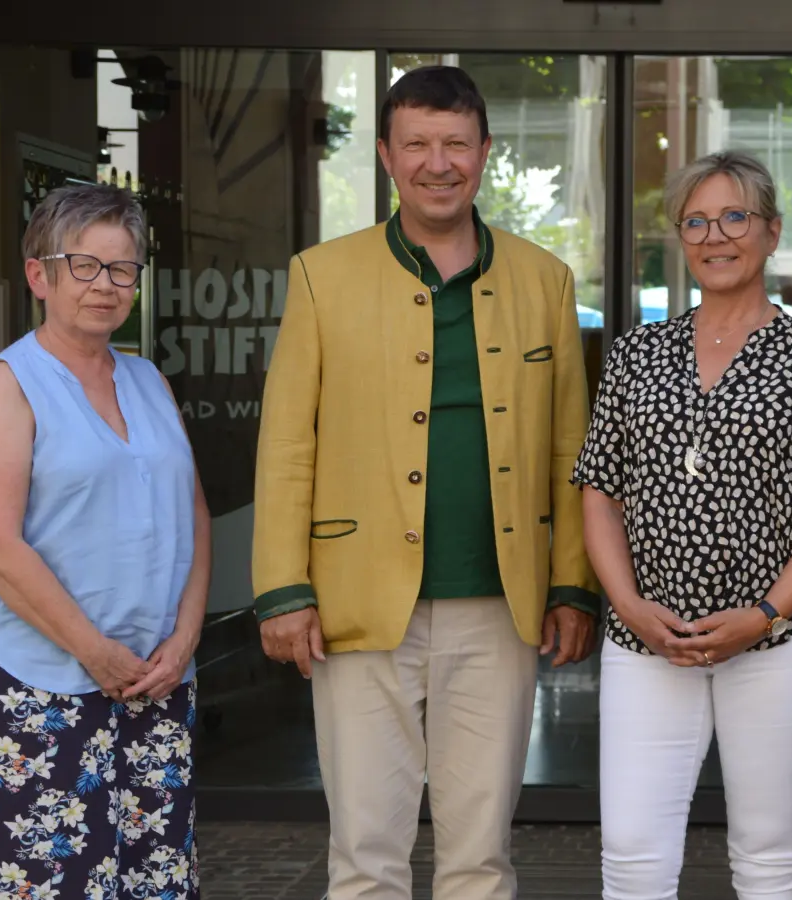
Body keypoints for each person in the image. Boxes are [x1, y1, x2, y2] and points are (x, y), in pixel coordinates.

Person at [251, 65, 600, 900]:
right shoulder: (319, 276)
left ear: (484, 151)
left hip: (500, 604)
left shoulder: (544, 280)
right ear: (385, 155)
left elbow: (568, 450)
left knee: (480, 857)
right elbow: (287, 443)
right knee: (366, 854)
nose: (437, 162)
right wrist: (281, 588)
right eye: (417, 144)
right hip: (354, 603)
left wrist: (572, 584)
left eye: (455, 144)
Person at [573, 149, 792, 899]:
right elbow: (599, 491)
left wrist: (765, 612)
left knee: (768, 859)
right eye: (696, 221)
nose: (715, 235)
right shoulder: (638, 352)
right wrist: (629, 606)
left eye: (734, 216)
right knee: (632, 856)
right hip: (648, 642)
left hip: (776, 643)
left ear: (771, 233)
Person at [0, 183, 209, 900]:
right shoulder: (9, 383)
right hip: (38, 686)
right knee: (45, 883)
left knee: (153, 880)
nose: (105, 284)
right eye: (84, 265)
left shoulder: (150, 379)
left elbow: (195, 517)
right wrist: (96, 654)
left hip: (154, 686)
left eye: (122, 268)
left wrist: (183, 641)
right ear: (40, 274)